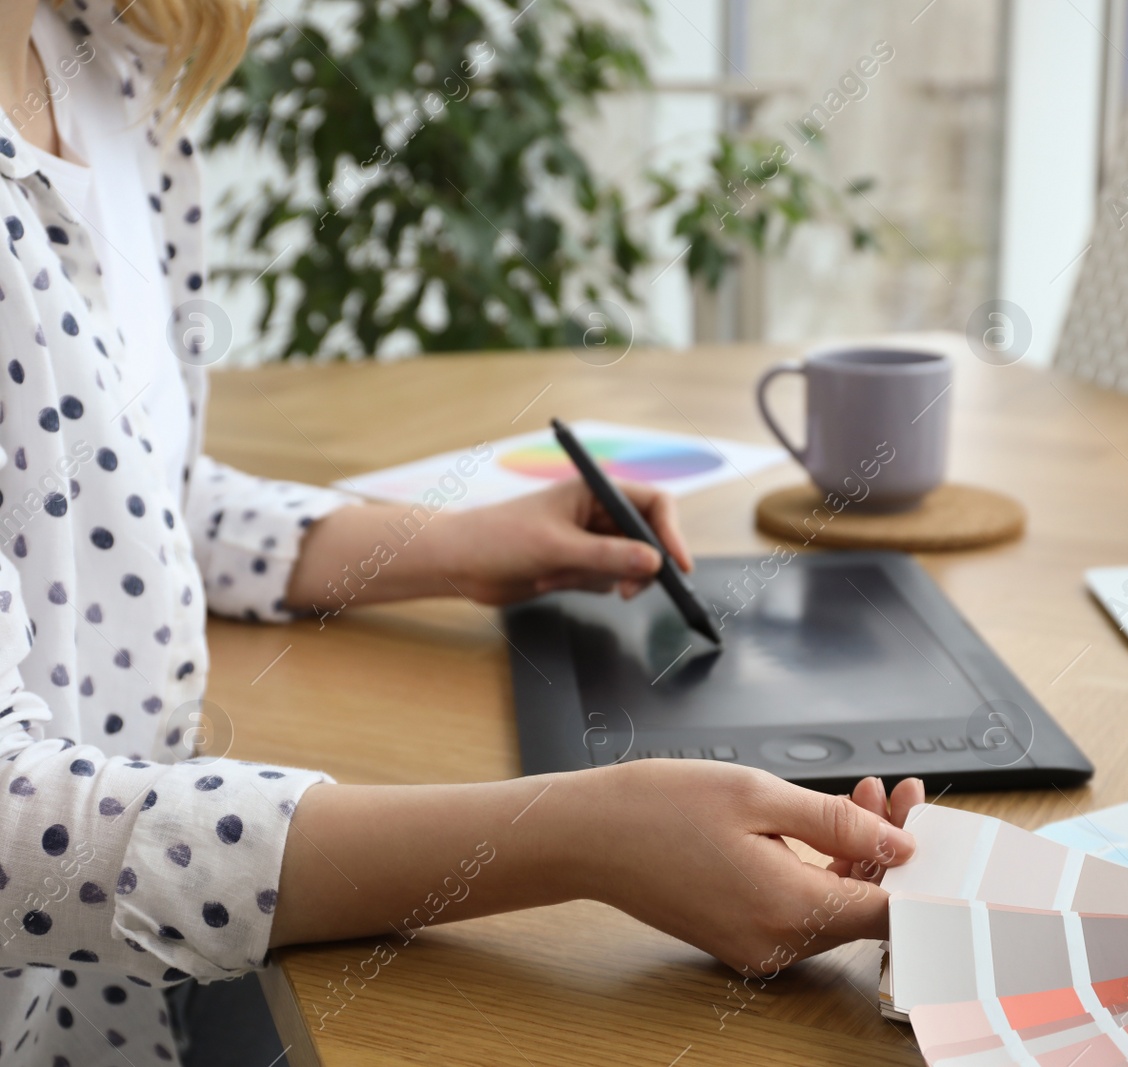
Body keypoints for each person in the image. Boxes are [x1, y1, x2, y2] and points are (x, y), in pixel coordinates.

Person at [0, 1, 924, 1062]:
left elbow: (134, 501)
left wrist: (451, 545)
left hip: (140, 988)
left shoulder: (109, 67)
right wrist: (578, 837)